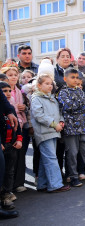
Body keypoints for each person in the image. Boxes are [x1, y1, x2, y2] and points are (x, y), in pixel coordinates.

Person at [30, 74, 70, 193]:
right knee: (51, 158)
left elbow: (58, 112)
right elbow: (39, 115)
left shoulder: (52, 97)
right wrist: (54, 124)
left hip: (53, 131)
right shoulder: (36, 98)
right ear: (39, 85)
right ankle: (56, 184)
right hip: (44, 132)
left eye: (51, 83)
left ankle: (42, 184)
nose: (50, 86)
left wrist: (61, 121)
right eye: (46, 84)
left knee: (45, 158)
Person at [0, 65, 29, 193]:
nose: (13, 77)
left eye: (15, 74)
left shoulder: (19, 91)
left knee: (17, 158)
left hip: (18, 128)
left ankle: (15, 186)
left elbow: (24, 108)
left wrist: (22, 108)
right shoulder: (5, 93)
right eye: (10, 75)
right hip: (4, 133)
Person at [0, 81, 22, 210]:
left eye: (9, 91)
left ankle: (6, 195)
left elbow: (17, 126)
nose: (8, 93)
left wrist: (19, 139)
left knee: (9, 171)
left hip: (11, 145)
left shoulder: (10, 107)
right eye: (4, 91)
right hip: (3, 144)